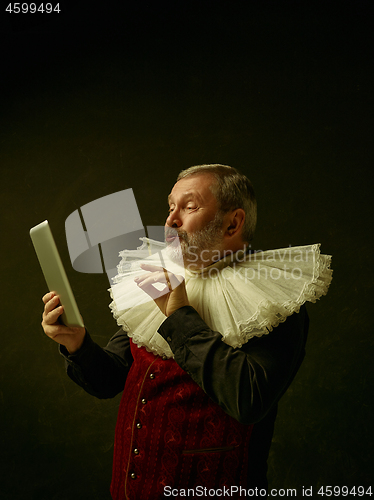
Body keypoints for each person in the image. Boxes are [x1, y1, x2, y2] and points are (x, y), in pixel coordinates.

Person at [41, 165, 332, 499]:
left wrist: (179, 313)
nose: (170, 221)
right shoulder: (156, 276)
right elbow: (111, 379)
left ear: (233, 223)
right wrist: (77, 345)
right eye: (170, 207)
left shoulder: (276, 299)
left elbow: (249, 399)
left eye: (189, 207)